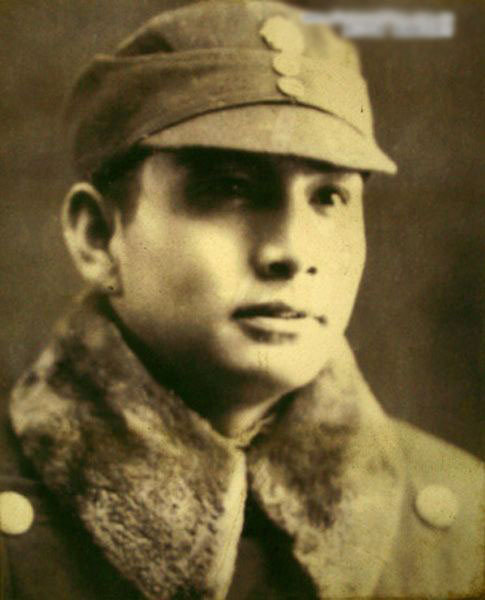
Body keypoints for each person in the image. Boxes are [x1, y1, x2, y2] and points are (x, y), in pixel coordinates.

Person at [0, 2, 482, 599]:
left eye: (329, 198)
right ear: (98, 237)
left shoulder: (461, 526)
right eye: (229, 188)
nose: (291, 251)